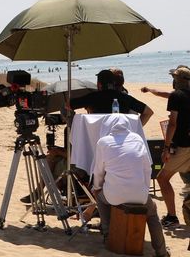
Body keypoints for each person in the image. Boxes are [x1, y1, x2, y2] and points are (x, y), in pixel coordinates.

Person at [91, 114, 169, 256]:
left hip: (114, 195)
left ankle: (108, 234)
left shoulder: (103, 142)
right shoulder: (137, 139)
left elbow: (98, 172)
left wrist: (97, 188)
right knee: (152, 214)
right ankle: (161, 251)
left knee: (101, 198)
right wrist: (144, 189)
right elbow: (147, 168)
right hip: (140, 194)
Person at [154, 66, 190, 229]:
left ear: (177, 80)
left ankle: (172, 216)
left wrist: (166, 147)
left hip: (182, 145)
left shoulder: (176, 96)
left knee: (162, 178)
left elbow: (173, 123)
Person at [69, 69, 154, 125]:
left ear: (99, 84)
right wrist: (135, 129)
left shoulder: (92, 97)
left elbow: (68, 105)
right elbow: (148, 112)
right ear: (113, 83)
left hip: (96, 139)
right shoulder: (124, 97)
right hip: (120, 139)